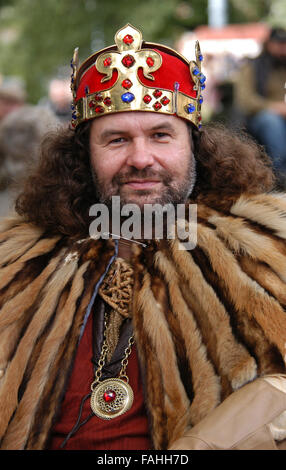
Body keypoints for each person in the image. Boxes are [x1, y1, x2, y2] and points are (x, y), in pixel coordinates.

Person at [0, 24, 286, 451]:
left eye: (160, 135)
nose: (140, 158)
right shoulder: (16, 262)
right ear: (84, 155)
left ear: (194, 144)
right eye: (116, 140)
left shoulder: (267, 249)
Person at [234, 27, 286, 179]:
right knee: (271, 121)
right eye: (279, 44)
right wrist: (275, 107)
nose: (283, 48)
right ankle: (280, 173)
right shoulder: (252, 66)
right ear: (269, 44)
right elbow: (245, 100)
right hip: (257, 118)